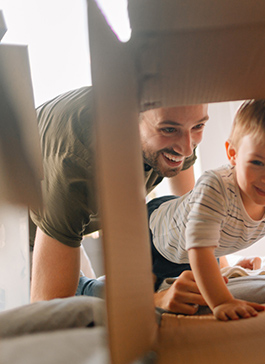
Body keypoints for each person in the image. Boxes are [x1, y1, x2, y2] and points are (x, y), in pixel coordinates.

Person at [29, 86, 210, 310]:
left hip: (60, 223)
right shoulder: (78, 161)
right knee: (75, 309)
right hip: (13, 234)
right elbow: (48, 311)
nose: (186, 149)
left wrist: (220, 270)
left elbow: (193, 223)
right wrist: (153, 301)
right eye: (168, 129)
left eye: (199, 126)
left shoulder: (181, 127)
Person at [148, 97, 265, 321]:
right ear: (233, 153)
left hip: (188, 250)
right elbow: (200, 250)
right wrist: (222, 302)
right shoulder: (216, 188)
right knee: (135, 297)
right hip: (152, 237)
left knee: (193, 277)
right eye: (257, 163)